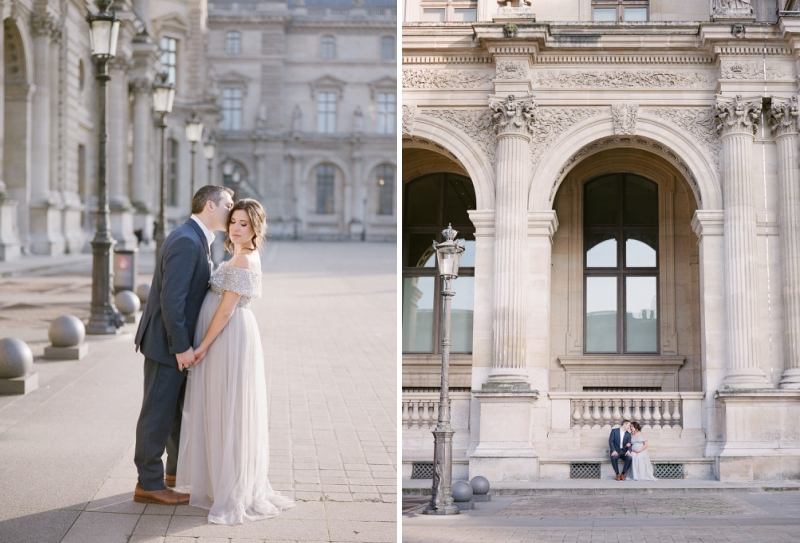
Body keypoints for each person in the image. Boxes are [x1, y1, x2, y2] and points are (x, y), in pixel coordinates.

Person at [176, 198, 295, 524]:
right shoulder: (239, 256)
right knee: (223, 407)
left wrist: (202, 346)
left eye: (244, 224)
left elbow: (226, 310)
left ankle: (231, 490)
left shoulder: (243, 261)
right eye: (234, 222)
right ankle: (224, 483)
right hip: (228, 336)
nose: (237, 228)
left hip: (227, 338)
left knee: (228, 409)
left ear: (256, 228)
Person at [133, 185, 235, 505]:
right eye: (227, 204)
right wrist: (180, 348)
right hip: (166, 345)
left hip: (174, 344)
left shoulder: (196, 238)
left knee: (176, 413)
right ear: (209, 206)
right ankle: (148, 483)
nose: (231, 210)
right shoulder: (187, 241)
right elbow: (171, 301)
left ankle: (172, 474)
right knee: (157, 413)